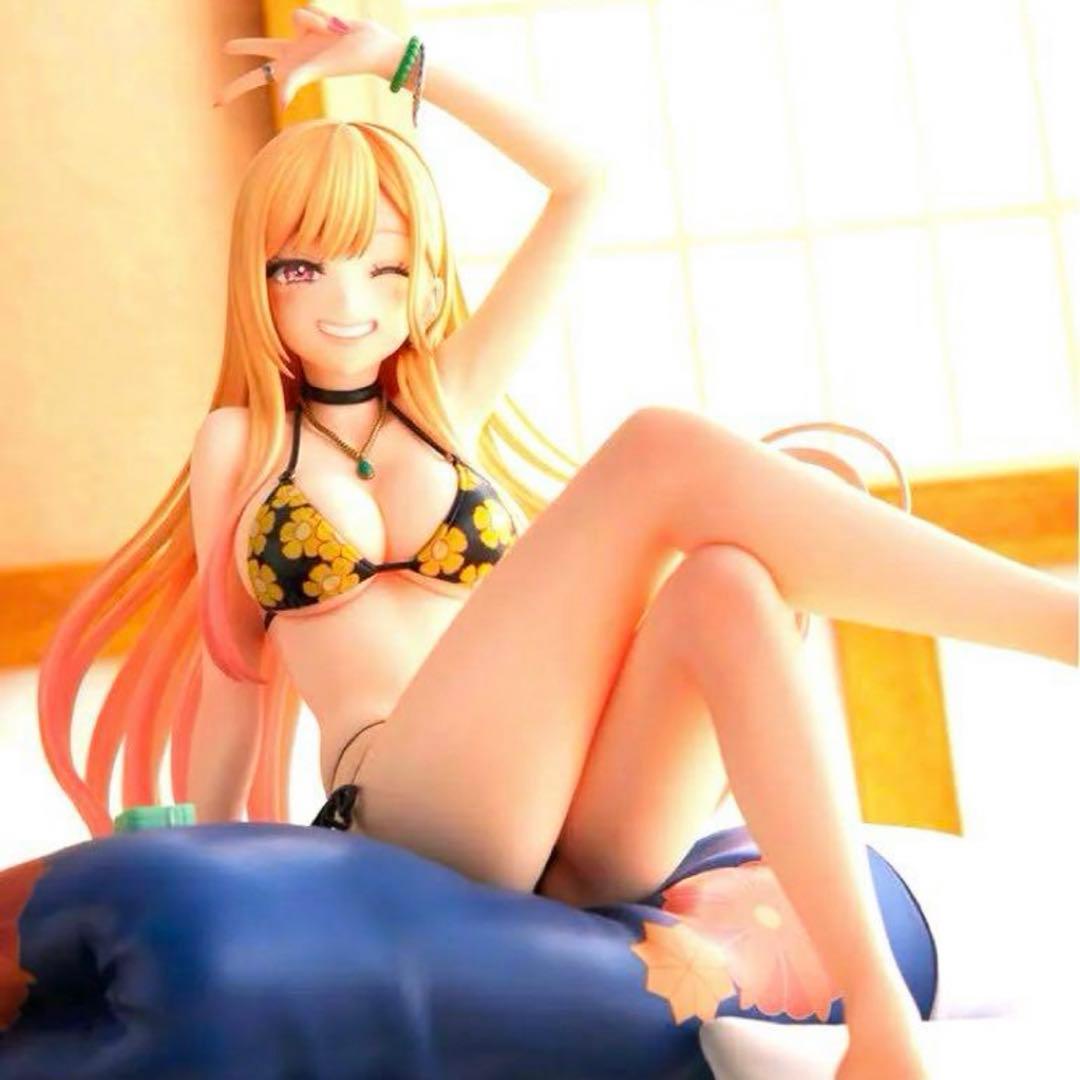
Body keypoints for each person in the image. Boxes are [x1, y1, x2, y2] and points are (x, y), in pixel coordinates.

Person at [38, 6, 1078, 1079]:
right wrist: (209, 872)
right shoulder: (242, 443)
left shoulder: (446, 402)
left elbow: (586, 183)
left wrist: (404, 62)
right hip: (405, 814)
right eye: (303, 269)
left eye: (384, 269)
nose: (349, 302)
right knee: (659, 447)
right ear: (256, 281)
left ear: (424, 276)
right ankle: (1064, 628)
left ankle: (883, 1028)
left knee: (725, 584)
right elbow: (234, 680)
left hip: (576, 830)